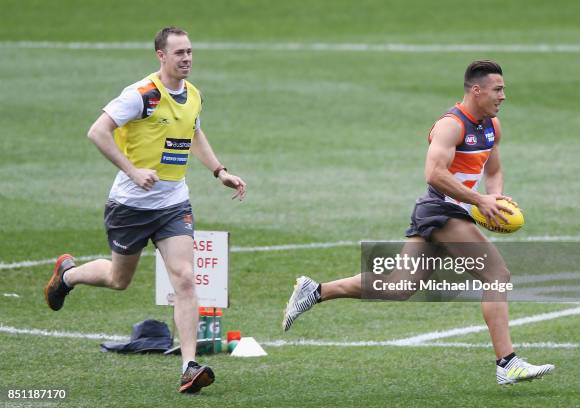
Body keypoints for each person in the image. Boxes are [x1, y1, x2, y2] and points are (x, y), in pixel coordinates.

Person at [282, 60, 554, 385]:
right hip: (440, 210)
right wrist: (480, 201)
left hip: (453, 211)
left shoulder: (492, 126)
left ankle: (316, 290)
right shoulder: (451, 125)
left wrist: (495, 198)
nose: (503, 96)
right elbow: (433, 174)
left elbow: (492, 171)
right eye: (498, 89)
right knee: (497, 275)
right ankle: (507, 363)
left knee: (399, 286)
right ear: (476, 90)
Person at [44, 27, 246, 394]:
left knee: (184, 277)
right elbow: (97, 132)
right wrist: (132, 171)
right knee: (118, 280)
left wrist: (220, 171)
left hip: (173, 204)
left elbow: (194, 133)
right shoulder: (142, 95)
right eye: (179, 53)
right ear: (161, 56)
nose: (186, 58)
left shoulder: (193, 95)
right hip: (130, 207)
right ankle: (68, 274)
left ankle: (188, 366)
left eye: (190, 51)